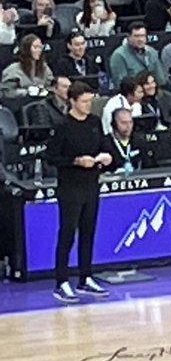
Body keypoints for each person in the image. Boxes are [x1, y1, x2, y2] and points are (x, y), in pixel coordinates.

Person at [45, 82, 113, 305]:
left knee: (88, 232)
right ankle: (61, 281)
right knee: (67, 234)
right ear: (72, 101)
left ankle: (86, 276)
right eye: (84, 101)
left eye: (90, 101)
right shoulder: (63, 126)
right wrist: (76, 161)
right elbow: (51, 157)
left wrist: (106, 157)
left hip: (91, 184)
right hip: (70, 187)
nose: (88, 105)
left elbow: (104, 146)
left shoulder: (94, 122)